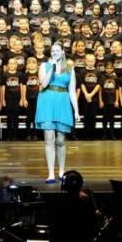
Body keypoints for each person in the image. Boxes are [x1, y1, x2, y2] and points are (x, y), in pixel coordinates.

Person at [35, 42, 81, 183]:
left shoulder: (69, 68)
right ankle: (50, 173)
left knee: (60, 140)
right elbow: (43, 84)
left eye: (57, 50)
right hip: (47, 100)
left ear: (62, 52)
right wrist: (53, 67)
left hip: (62, 101)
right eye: (53, 51)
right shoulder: (45, 66)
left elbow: (72, 90)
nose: (54, 53)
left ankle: (61, 171)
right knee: (49, 138)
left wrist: (76, 110)